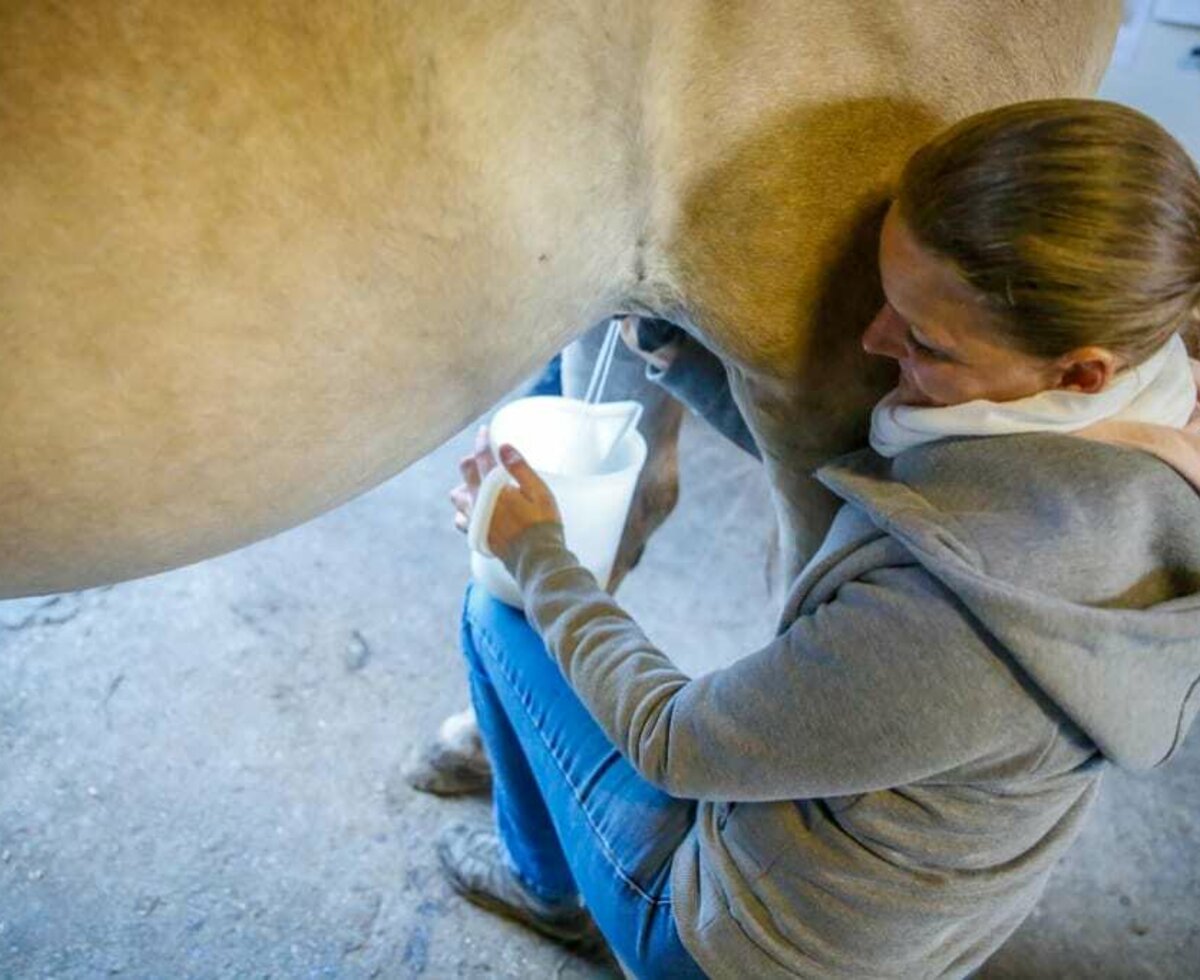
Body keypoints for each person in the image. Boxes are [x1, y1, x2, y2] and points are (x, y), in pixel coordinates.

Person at [427, 99, 1200, 978]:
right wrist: (673, 354)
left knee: (497, 612)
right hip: (922, 931)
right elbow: (856, 468)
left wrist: (538, 552)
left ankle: (545, 890)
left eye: (922, 340)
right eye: (886, 302)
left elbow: (676, 743)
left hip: (741, 948)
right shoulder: (1147, 433)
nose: (873, 341)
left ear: (1081, 369)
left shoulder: (953, 616)